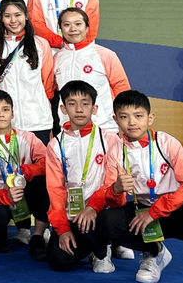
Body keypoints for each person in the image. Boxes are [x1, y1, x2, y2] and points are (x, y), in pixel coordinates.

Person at [98, 91, 183, 283]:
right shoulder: (115, 152)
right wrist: (116, 189)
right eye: (124, 117)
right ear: (115, 120)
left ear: (150, 118)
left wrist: (156, 211)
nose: (131, 122)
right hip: (143, 213)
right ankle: (154, 252)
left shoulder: (166, 143)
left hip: (176, 210)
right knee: (106, 220)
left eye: (138, 116)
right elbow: (115, 201)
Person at [45, 81, 121, 273]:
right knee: (58, 262)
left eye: (85, 103)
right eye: (72, 103)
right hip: (73, 213)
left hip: (102, 211)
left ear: (94, 108)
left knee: (98, 223)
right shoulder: (56, 145)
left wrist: (93, 207)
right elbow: (56, 192)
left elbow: (111, 183)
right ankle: (90, 246)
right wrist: (62, 229)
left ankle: (103, 251)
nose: (79, 109)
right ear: (63, 108)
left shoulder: (109, 139)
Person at [0, 90, 50, 261]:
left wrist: (27, 171)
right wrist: (3, 195)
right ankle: (0, 236)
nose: (1, 114)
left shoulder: (27, 137)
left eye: (5, 109)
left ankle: (37, 235)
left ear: (12, 112)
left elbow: (47, 162)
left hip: (25, 190)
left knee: (42, 182)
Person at [0, 0, 55, 145]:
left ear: (26, 16)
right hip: (6, 122)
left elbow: (48, 82)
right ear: (1, 18)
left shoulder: (41, 44)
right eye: (7, 16)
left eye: (18, 15)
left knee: (38, 167)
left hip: (38, 121)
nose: (13, 21)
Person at [54, 8, 130, 132]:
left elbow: (121, 89)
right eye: (66, 24)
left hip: (104, 127)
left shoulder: (105, 54)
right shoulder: (56, 58)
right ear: (61, 29)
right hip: (68, 129)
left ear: (87, 27)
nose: (73, 29)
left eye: (78, 24)